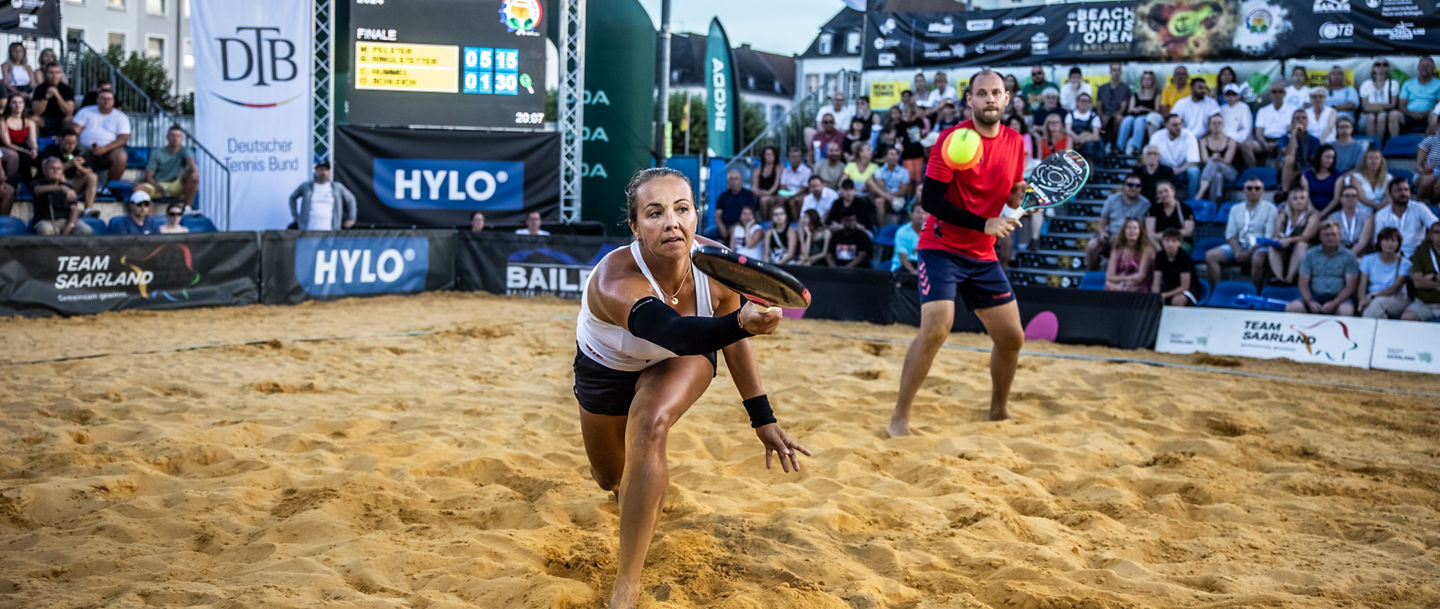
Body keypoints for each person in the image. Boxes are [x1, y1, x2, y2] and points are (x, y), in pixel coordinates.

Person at [573, 167, 808, 609]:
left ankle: (627, 584)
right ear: (635, 226)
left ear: (696, 214)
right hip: (608, 367)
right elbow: (674, 331)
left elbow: (730, 343)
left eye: (682, 209)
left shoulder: (718, 264)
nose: (671, 223)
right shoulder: (615, 276)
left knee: (650, 425)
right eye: (655, 213)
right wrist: (740, 322)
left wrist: (764, 419)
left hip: (679, 360)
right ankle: (637, 493)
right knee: (609, 478)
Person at [890, 69, 1029, 433]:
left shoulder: (1016, 142)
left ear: (1007, 99)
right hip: (942, 247)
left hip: (982, 254)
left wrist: (1016, 200)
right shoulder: (952, 140)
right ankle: (899, 418)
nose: (989, 99)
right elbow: (931, 199)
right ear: (969, 100)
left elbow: (1012, 192)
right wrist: (985, 224)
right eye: (981, 93)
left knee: (1012, 337)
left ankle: (998, 410)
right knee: (937, 328)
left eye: (996, 93)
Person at [1205, 177, 1277, 288]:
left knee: (1258, 258)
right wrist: (1237, 251)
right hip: (1239, 245)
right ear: (1244, 190)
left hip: (1260, 246)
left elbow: (1268, 237)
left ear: (1263, 191)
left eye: (1257, 188)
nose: (1253, 191)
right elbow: (1230, 234)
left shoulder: (1270, 209)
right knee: (1211, 256)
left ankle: (1255, 292)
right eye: (1249, 188)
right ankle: (1219, 289)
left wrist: (1249, 252)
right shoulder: (1235, 209)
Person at [1285, 221, 1358, 315]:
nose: (1330, 238)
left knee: (1346, 311)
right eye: (1327, 235)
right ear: (1320, 237)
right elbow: (1303, 283)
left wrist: (1335, 302)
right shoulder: (1310, 255)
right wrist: (1309, 301)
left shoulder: (1349, 256)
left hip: (1340, 298)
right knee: (1293, 308)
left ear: (1339, 237)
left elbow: (1350, 286)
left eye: (1334, 235)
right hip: (1314, 296)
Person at [1085, 174, 1151, 270]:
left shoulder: (1145, 204)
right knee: (1092, 246)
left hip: (1132, 237)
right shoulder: (1112, 199)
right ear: (1123, 186)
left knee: (1117, 241)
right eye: (1130, 185)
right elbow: (1103, 220)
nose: (1134, 188)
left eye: (1137, 186)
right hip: (1110, 234)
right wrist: (1102, 233)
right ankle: (1092, 274)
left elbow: (1145, 227)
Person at [35, 129, 98, 215]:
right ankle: (69, 207)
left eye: (73, 143)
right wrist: (69, 164)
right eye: (68, 143)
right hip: (53, 187)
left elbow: (89, 171)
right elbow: (46, 172)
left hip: (72, 184)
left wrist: (79, 167)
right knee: (60, 175)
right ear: (60, 140)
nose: (71, 146)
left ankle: (88, 210)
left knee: (92, 177)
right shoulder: (49, 151)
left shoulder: (79, 152)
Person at [71, 90, 130, 181]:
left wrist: (105, 148)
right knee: (72, 152)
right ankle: (78, 184)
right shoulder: (85, 112)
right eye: (103, 98)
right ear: (97, 100)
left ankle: (110, 187)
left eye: (109, 99)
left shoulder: (121, 117)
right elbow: (74, 131)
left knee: (121, 156)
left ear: (113, 101)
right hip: (84, 149)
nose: (106, 101)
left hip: (109, 151)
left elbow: (123, 140)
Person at [1371, 178, 1438, 255]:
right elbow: (1378, 241)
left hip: (1417, 255)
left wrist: (1427, 241)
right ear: (1390, 194)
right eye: (1398, 190)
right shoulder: (1382, 214)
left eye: (1406, 190)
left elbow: (1435, 226)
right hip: (1391, 256)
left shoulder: (1420, 208)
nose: (1403, 193)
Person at [1267, 189, 1319, 285]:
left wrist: (1289, 240)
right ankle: (1279, 278)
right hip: (1286, 245)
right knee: (1273, 245)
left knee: (1301, 245)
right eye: (1295, 199)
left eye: (1302, 198)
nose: (1298, 201)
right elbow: (1276, 234)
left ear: (1307, 200)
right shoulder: (1284, 214)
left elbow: (1307, 236)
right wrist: (1279, 239)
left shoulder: (1313, 215)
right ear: (1290, 201)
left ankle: (1289, 278)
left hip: (1305, 246)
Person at [1357, 227, 1411, 318]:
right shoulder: (1367, 260)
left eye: (1393, 240)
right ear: (1379, 242)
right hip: (1371, 296)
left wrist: (1372, 297)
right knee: (1374, 309)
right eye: (1386, 240)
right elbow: (1361, 287)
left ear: (1398, 244)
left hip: (1396, 299)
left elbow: (1394, 289)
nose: (1389, 244)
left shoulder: (1405, 264)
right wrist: (1362, 300)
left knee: (1377, 303)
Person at [142, 125, 200, 210]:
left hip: (177, 185)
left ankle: (187, 208)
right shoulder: (157, 153)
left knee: (193, 176)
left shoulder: (185, 151)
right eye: (173, 135)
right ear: (167, 137)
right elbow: (148, 177)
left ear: (182, 138)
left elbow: (191, 162)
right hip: (159, 184)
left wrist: (194, 171)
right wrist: (158, 186)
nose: (175, 138)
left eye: (178, 136)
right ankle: (145, 216)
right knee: (139, 189)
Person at [288, 161, 357, 231]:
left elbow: (351, 199)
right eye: (321, 169)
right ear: (316, 171)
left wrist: (351, 218)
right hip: (308, 230)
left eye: (326, 169)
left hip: (331, 230)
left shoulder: (337, 187)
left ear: (329, 171)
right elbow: (292, 198)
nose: (323, 172)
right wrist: (296, 217)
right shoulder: (306, 186)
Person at [30, 157, 90, 235]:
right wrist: (61, 188)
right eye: (52, 168)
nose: (56, 171)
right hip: (46, 221)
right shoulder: (37, 183)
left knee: (86, 230)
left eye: (59, 169)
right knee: (46, 230)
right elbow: (38, 190)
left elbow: (74, 210)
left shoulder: (69, 188)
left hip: (66, 221)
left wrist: (69, 226)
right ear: (45, 170)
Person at [1149, 113, 1201, 200]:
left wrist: (1180, 170)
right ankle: (1157, 200)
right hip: (1164, 170)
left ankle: (1192, 200)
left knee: (1194, 171)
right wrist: (1167, 170)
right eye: (1175, 125)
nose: (1179, 127)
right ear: (1166, 126)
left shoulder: (1189, 135)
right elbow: (1152, 156)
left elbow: (1193, 162)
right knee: (1152, 168)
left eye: (1180, 124)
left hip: (1183, 170)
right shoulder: (1157, 136)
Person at [1248, 83, 1300, 165]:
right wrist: (1264, 143)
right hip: (1265, 141)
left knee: (1288, 146)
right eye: (1274, 92)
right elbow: (1258, 132)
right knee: (1246, 146)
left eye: (1280, 92)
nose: (1277, 94)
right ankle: (1253, 171)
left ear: (1284, 94)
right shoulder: (1263, 111)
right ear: (1270, 94)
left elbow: (1292, 131)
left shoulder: (1293, 110)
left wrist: (1277, 143)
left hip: (1283, 141)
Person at [1402, 221, 1440, 321]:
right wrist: (1435, 279)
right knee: (1407, 317)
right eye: (1437, 232)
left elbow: (1421, 280)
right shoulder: (1421, 253)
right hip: (1424, 304)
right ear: (1430, 235)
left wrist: (1426, 278)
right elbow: (1417, 283)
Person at [1196, 113, 1238, 202]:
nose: (1217, 125)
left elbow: (1227, 161)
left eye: (1219, 123)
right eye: (1214, 123)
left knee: (1214, 162)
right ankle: (1215, 203)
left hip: (1229, 172)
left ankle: (1199, 194)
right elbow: (1204, 160)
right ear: (1209, 126)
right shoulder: (1203, 141)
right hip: (1213, 172)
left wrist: (1219, 159)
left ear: (1223, 125)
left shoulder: (1230, 140)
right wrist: (1214, 159)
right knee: (1218, 176)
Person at [1119, 70, 1162, 156]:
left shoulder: (1156, 95)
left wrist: (1145, 109)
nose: (1146, 81)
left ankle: (1136, 147)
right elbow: (1130, 110)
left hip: (1146, 117)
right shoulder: (1136, 94)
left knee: (1139, 120)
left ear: (1153, 81)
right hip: (1134, 116)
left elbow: (1157, 111)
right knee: (1127, 120)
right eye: (1144, 79)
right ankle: (1119, 146)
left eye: (1149, 79)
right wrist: (1136, 109)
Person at [1145, 181, 1194, 254]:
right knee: (1148, 251)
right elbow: (1150, 233)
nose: (1164, 194)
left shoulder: (1185, 209)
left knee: (1175, 250)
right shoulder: (1153, 209)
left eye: (1166, 191)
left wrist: (1164, 235)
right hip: (1158, 242)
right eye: (1160, 192)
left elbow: (1188, 232)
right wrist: (1159, 249)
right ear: (1157, 195)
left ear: (1173, 191)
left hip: (1180, 242)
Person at [1105, 217, 1154, 292]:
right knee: (1109, 285)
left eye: (1135, 228)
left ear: (1140, 231)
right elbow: (1109, 276)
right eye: (1129, 228)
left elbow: (1141, 276)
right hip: (1119, 284)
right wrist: (1123, 282)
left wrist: (1124, 284)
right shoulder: (1117, 250)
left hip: (1139, 285)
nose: (1132, 231)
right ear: (1124, 232)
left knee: (1128, 289)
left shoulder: (1147, 250)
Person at [1360, 59, 1402, 142]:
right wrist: (1383, 106)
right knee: (1371, 117)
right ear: (1373, 68)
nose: (1381, 67)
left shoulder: (1393, 83)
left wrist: (1373, 107)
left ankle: (1379, 145)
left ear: (1388, 68)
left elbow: (1393, 104)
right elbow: (1365, 106)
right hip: (1368, 116)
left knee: (1381, 117)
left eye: (1385, 64)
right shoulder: (1366, 84)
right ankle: (1371, 144)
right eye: (1378, 64)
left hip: (1385, 114)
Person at [1152, 228, 1197, 306]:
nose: (1170, 244)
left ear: (1179, 243)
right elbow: (1156, 282)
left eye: (1174, 241)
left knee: (1177, 301)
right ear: (1162, 242)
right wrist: (1155, 296)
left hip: (1188, 290)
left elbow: (1185, 286)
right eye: (1167, 240)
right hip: (1168, 289)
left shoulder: (1184, 257)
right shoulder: (1159, 256)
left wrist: (1165, 295)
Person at [0, 92, 37, 185]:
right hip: (6, 146)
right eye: (14, 102)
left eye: (20, 102)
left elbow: (33, 141)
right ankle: (10, 183)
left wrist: (34, 150)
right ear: (9, 104)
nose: (18, 105)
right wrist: (25, 151)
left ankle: (33, 184)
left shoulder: (29, 122)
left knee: (36, 156)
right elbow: (7, 143)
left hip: (22, 146)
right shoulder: (3, 121)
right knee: (15, 156)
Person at [1278, 110, 1319, 192]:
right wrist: (1294, 134)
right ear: (1292, 122)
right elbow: (1288, 153)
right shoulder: (1284, 138)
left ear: (1307, 122)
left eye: (1303, 118)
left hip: (1308, 169)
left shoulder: (1314, 140)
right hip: (1288, 170)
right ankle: (1285, 192)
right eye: (1297, 118)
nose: (1300, 120)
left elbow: (1314, 161)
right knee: (1289, 159)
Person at [711, 169, 757, 241]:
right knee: (708, 234)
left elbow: (750, 215)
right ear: (728, 182)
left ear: (741, 181)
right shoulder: (723, 196)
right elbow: (717, 215)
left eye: (736, 179)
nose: (733, 182)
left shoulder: (748, 195)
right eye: (731, 179)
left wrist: (736, 226)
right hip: (725, 226)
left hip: (743, 226)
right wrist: (721, 227)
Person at [868, 146, 910, 224]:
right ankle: (881, 229)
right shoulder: (879, 171)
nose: (895, 157)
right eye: (891, 154)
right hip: (884, 198)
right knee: (879, 201)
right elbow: (881, 187)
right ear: (885, 157)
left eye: (896, 154)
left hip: (898, 199)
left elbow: (902, 192)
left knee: (873, 187)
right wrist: (887, 196)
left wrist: (888, 195)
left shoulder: (904, 172)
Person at [29, 62, 72, 137]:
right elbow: (36, 112)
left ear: (61, 75)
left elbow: (69, 111)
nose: (54, 76)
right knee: (33, 119)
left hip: (61, 119)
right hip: (44, 119)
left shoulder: (67, 89)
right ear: (46, 74)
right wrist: (46, 97)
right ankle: (36, 145)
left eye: (57, 73)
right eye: (51, 73)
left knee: (70, 119)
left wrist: (57, 95)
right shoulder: (40, 88)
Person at [1330, 185, 1374, 257]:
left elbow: (1362, 242)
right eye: (1347, 196)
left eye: (1354, 196)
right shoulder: (1333, 217)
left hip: (1359, 254)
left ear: (1358, 199)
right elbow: (1333, 241)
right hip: (1338, 253)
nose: (1350, 198)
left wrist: (1348, 257)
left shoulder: (1367, 217)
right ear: (1341, 199)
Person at [1399, 56, 1439, 133]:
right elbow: (1402, 105)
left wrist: (1427, 112)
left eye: (1428, 66)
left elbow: (1439, 104)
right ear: (1418, 68)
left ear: (1433, 69)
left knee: (1435, 116)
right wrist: (1411, 113)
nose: (1424, 68)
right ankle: (1394, 142)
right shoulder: (1408, 83)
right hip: (1409, 114)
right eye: (1422, 65)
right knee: (1394, 115)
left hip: (1429, 115)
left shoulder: (1438, 84)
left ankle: (1429, 142)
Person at [1219, 84, 1255, 168]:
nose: (1231, 97)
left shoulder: (1244, 107)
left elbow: (1246, 128)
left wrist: (1236, 140)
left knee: (1245, 146)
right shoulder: (1221, 109)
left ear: (1238, 96)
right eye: (1228, 94)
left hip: (1240, 139)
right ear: (1224, 96)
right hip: (1225, 139)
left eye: (1233, 94)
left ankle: (1253, 170)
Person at [895, 104, 930, 185]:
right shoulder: (901, 124)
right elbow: (897, 137)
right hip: (907, 153)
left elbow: (922, 134)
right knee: (909, 177)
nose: (905, 114)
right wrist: (899, 145)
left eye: (907, 112)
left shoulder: (919, 121)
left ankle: (916, 196)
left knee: (918, 177)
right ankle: (909, 196)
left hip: (918, 152)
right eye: (904, 112)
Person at [1302, 145, 1341, 215]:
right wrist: (1314, 212)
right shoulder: (1307, 175)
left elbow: (1336, 199)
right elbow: (1305, 196)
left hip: (1331, 212)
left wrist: (1322, 214)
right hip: (1310, 210)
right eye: (1327, 157)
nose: (1330, 160)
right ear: (1319, 157)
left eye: (1332, 158)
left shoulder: (1337, 176)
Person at [1065, 92, 1104, 160]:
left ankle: (1090, 168)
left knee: (1089, 146)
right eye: (1082, 100)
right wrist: (1076, 138)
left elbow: (1096, 136)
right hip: (1073, 140)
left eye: (1087, 101)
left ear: (1090, 104)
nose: (1084, 103)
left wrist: (1082, 140)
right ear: (1077, 102)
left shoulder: (1095, 117)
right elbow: (1068, 130)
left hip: (1088, 142)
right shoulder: (1070, 115)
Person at [891, 203, 926, 274]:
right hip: (903, 265)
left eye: (924, 213)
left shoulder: (930, 232)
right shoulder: (902, 232)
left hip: (922, 264)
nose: (921, 215)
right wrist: (914, 273)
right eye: (918, 212)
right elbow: (903, 259)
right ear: (911, 214)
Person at [778, 147, 812, 218]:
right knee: (779, 200)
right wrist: (785, 195)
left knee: (793, 201)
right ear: (789, 158)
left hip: (801, 193)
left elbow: (804, 188)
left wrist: (791, 196)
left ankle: (797, 222)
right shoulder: (785, 170)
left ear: (801, 158)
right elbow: (783, 186)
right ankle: (782, 221)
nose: (795, 159)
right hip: (788, 193)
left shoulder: (807, 171)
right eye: (792, 157)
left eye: (797, 157)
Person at [750, 146, 781, 218]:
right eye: (767, 154)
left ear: (775, 156)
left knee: (764, 200)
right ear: (763, 156)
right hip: (761, 194)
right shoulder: (757, 170)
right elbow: (754, 187)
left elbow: (775, 185)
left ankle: (765, 221)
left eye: (771, 154)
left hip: (774, 194)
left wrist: (768, 193)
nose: (769, 156)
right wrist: (760, 192)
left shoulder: (778, 168)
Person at [1417, 131, 1440, 205]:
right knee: (1428, 179)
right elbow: (1418, 166)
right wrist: (1424, 171)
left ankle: (1431, 204)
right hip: (1426, 172)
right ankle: (1418, 202)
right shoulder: (1429, 140)